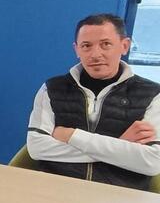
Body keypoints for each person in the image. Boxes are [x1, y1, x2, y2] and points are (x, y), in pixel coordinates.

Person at [27, 13, 160, 190]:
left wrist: (72, 136)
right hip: (55, 190)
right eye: (86, 46)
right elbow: (37, 148)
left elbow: (152, 161)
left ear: (124, 45)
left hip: (120, 197)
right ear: (76, 49)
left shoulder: (152, 94)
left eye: (105, 44)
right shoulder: (52, 88)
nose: (95, 54)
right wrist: (120, 143)